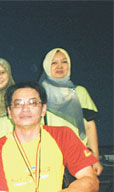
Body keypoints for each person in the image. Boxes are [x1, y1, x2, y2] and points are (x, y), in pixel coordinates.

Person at [39, 48, 103, 176]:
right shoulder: (40, 94)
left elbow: (89, 126)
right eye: (54, 62)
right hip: (51, 156)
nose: (60, 66)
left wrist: (94, 158)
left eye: (64, 61)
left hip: (79, 156)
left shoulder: (80, 92)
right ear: (46, 66)